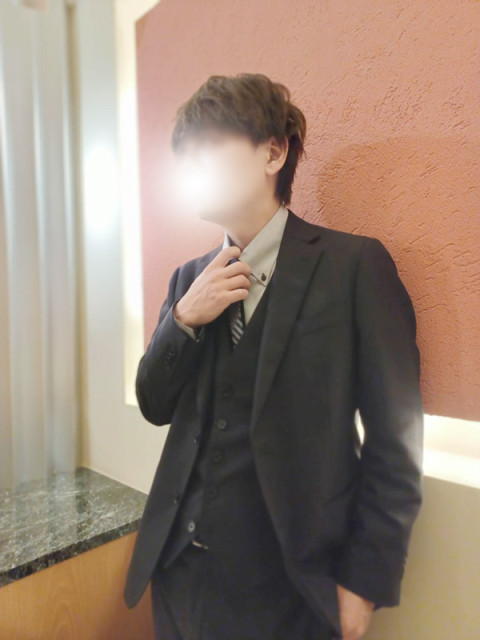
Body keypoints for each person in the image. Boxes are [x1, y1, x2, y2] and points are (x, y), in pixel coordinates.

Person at [123, 73, 424, 640]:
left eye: (211, 145)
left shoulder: (353, 267)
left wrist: (364, 585)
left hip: (288, 591)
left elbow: (397, 438)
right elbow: (153, 403)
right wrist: (183, 319)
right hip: (178, 576)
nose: (194, 165)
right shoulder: (189, 278)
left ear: (273, 152)